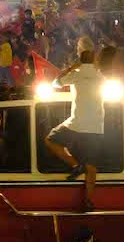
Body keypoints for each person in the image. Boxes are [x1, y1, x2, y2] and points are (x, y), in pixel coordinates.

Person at [44, 36, 105, 211]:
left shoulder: (76, 74)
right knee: (92, 167)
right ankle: (88, 201)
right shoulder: (100, 75)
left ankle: (75, 165)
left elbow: (55, 82)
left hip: (76, 122)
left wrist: (72, 67)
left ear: (79, 55)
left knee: (50, 140)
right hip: (96, 125)